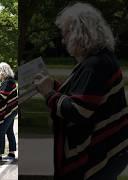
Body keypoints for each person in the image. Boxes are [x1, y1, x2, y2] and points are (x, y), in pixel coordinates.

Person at [34, 3, 128, 180]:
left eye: (66, 33)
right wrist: (52, 86)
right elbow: (84, 96)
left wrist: (49, 94)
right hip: (109, 153)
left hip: (96, 159)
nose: (63, 40)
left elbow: (79, 111)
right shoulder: (100, 59)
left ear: (81, 32)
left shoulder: (96, 64)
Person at [0, 62, 18, 161]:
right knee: (9, 131)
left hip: (8, 111)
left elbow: (3, 96)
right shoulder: (9, 81)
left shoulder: (8, 82)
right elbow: (4, 92)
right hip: (11, 110)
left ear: (2, 72)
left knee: (1, 130)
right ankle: (11, 153)